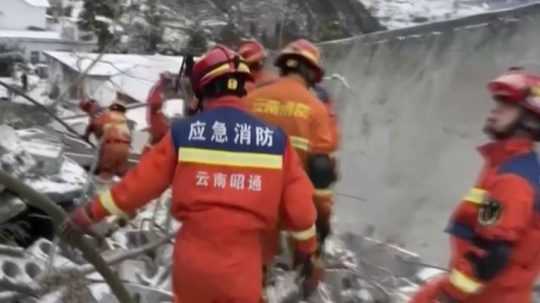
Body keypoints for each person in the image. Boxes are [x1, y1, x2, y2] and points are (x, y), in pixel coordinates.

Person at [68, 45, 320, 303]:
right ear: (245, 87)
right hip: (243, 268)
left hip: (193, 266)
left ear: (203, 90)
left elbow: (135, 188)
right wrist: (306, 250)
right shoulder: (276, 141)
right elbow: (301, 211)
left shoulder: (183, 134)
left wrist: (90, 213)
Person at [410, 70, 540, 303]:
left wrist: (448, 297)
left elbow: (492, 253)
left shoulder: (514, 178)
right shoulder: (505, 164)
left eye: (507, 104)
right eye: (497, 102)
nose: (495, 109)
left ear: (529, 120)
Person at [244, 39, 337, 258]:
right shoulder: (316, 109)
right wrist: (323, 221)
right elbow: (321, 170)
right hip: (286, 213)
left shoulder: (249, 100)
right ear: (312, 73)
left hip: (239, 204)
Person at [82, 98, 131, 181]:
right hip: (125, 148)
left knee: (105, 175)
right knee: (121, 174)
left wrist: (86, 136)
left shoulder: (101, 113)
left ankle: (101, 193)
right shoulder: (122, 118)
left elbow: (95, 124)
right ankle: (125, 191)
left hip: (112, 146)